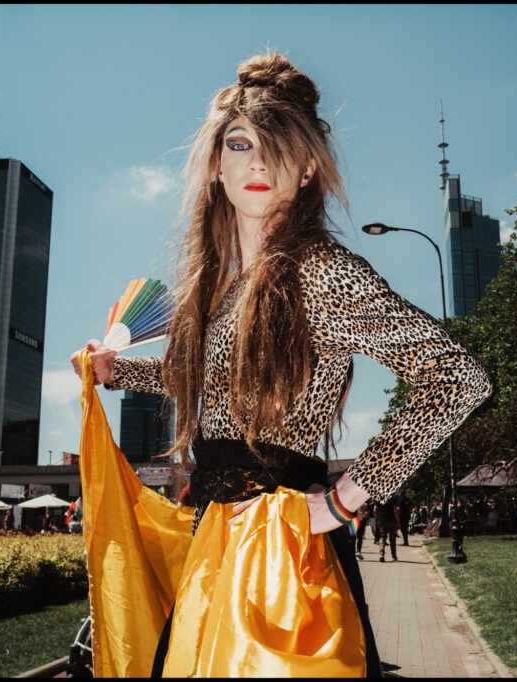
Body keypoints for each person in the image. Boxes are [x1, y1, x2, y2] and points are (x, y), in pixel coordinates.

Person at [70, 50, 490, 678]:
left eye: (280, 145)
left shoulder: (322, 273)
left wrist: (347, 499)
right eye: (240, 144)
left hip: (283, 552)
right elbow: (204, 382)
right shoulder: (212, 287)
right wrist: (114, 372)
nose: (259, 161)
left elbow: (457, 378)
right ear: (216, 165)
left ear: (309, 167)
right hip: (211, 538)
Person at [374, 496, 400, 562]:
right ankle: (394, 556)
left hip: (382, 521)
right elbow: (395, 510)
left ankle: (381, 554)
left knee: (382, 537)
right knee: (392, 539)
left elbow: (375, 510)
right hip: (392, 521)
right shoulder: (393, 499)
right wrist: (398, 522)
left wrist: (376, 519)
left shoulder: (379, 498)